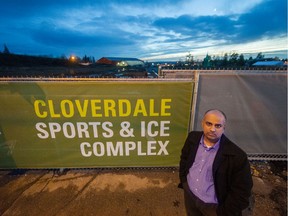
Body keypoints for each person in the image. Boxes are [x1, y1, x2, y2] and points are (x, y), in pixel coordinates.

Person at [179, 109, 253, 216]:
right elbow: (184, 158)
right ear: (202, 124)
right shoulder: (192, 138)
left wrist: (223, 212)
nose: (212, 129)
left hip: (213, 207)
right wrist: (184, 181)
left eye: (218, 126)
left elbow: (242, 192)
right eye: (209, 124)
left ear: (224, 128)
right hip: (190, 195)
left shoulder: (237, 156)